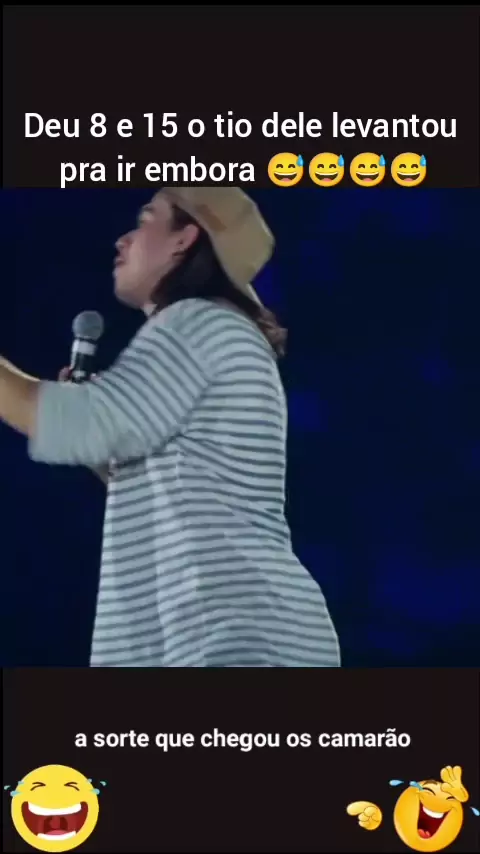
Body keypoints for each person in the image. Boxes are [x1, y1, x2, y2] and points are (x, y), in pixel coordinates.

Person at [0, 187, 341, 668]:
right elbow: (159, 475)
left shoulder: (199, 322)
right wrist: (99, 444)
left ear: (185, 239)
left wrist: (78, 414)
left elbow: (68, 420)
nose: (122, 239)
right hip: (223, 637)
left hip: (232, 639)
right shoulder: (218, 331)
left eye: (146, 220)